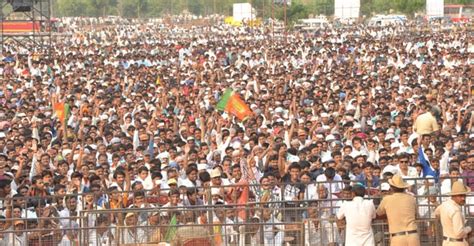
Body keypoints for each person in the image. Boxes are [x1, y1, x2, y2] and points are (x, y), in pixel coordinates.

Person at [376, 174, 420, 246]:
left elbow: (377, 214)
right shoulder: (411, 198)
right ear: (403, 187)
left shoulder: (386, 199)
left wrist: (389, 215)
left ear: (392, 187)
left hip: (397, 236)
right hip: (413, 235)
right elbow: (416, 215)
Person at [434, 181, 472, 245]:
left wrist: (446, 223)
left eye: (464, 195)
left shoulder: (444, 205)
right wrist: (469, 229)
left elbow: (436, 214)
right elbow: (459, 233)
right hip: (457, 242)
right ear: (453, 196)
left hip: (446, 242)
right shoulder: (455, 210)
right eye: (460, 196)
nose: (463, 198)